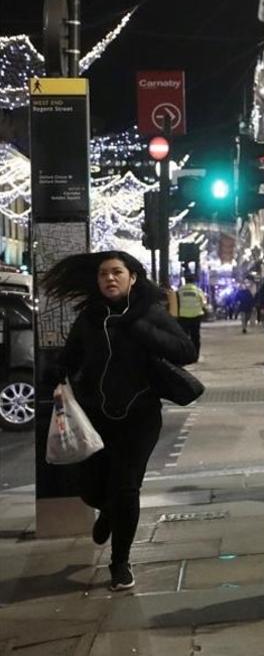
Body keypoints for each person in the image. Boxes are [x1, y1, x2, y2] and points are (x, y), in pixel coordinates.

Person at [44, 251, 197, 591]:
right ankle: (108, 511)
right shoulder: (90, 318)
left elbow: (186, 351)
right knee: (93, 491)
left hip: (140, 416)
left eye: (117, 272)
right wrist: (56, 373)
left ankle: (120, 563)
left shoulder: (150, 313)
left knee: (127, 487)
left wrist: (139, 327)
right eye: (103, 274)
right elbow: (70, 357)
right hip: (95, 416)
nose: (110, 279)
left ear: (132, 277)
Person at [176, 273, 207, 354]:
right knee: (195, 336)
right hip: (196, 315)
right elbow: (204, 303)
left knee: (184, 336)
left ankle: (185, 353)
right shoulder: (198, 290)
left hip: (183, 316)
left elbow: (176, 303)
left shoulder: (180, 291)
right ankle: (196, 354)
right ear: (194, 281)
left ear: (185, 281)